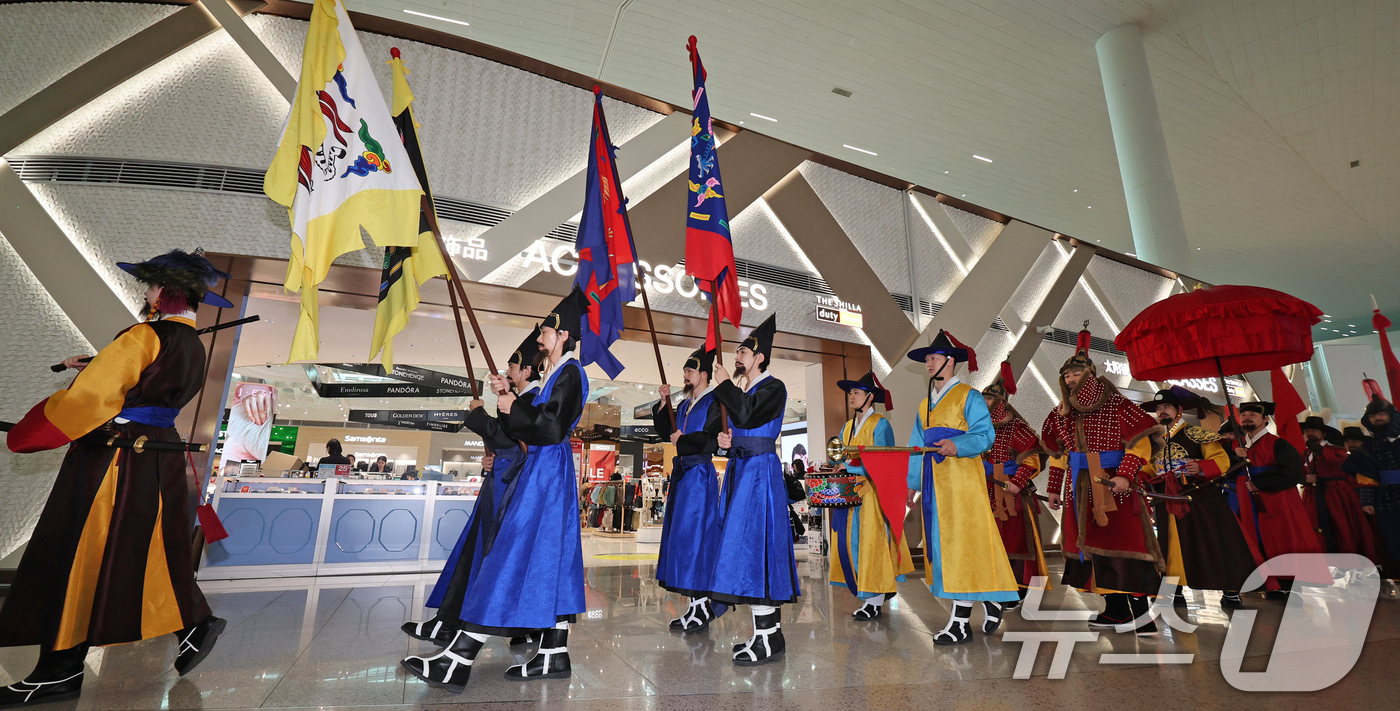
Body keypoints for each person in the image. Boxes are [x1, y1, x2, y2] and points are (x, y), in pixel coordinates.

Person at [0, 249, 235, 707]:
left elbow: (91, 401)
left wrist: (32, 432)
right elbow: (148, 387)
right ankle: (192, 620)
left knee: (83, 553)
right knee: (140, 548)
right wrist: (102, 364)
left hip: (114, 458)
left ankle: (59, 669)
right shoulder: (191, 343)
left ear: (163, 292)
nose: (144, 292)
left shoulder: (144, 335)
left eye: (149, 285)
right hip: (155, 456)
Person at [400, 288, 589, 690]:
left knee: (508, 555)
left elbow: (551, 428)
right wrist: (508, 401)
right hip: (544, 472)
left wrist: (511, 407)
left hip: (545, 475)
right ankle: (554, 655)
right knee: (546, 560)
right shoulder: (560, 374)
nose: (540, 340)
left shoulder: (571, 373)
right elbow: (536, 423)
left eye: (547, 334)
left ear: (566, 335)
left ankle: (457, 659)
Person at [403, 325, 544, 649]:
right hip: (500, 482)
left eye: (511, 368)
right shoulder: (521, 397)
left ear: (525, 370)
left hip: (511, 488)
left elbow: (511, 438)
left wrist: (478, 415)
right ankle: (448, 622)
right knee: (474, 551)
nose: (507, 374)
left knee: (489, 554)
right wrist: (490, 458)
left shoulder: (533, 398)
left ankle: (459, 625)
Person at [1040, 326, 1165, 635]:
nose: (1071, 379)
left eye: (1077, 373)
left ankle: (1142, 616)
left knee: (1124, 546)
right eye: (1067, 375)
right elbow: (1058, 453)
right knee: (1092, 551)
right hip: (1078, 485)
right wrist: (1054, 488)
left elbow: (1141, 443)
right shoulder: (1060, 413)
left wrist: (1125, 474)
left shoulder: (1118, 405)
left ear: (1092, 374)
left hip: (1114, 484)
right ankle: (1116, 610)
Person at [903, 331, 1020, 644]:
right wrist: (912, 484)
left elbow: (984, 436)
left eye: (934, 358)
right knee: (944, 547)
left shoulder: (970, 396)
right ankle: (989, 599)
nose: (929, 363)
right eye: (926, 359)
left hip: (962, 482)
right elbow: (916, 446)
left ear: (950, 361)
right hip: (933, 484)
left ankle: (960, 622)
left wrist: (958, 444)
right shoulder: (923, 406)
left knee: (963, 545)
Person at [708, 314, 800, 665]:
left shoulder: (772, 387)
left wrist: (722, 386)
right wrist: (728, 444)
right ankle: (768, 635)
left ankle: (766, 636)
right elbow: (744, 424)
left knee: (758, 549)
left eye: (743, 351)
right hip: (742, 471)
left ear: (760, 357)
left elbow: (747, 415)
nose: (737, 356)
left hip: (759, 475)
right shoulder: (746, 389)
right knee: (749, 549)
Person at [1144, 387, 1256, 609]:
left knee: (1212, 542)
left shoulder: (1196, 433)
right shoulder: (1154, 440)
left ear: (1178, 410)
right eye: (1158, 409)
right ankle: (1173, 590)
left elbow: (1221, 460)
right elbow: (1148, 467)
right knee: (1170, 544)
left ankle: (1230, 590)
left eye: (1166, 407)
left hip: (1200, 499)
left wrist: (1201, 466)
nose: (1161, 412)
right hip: (1167, 499)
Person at [827, 371, 914, 620]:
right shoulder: (846, 426)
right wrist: (837, 465)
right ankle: (868, 594)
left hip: (874, 496)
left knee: (872, 545)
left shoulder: (881, 424)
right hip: (851, 494)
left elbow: (885, 461)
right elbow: (842, 456)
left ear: (870, 396)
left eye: (856, 392)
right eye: (851, 392)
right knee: (853, 544)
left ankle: (874, 599)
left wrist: (850, 467)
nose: (851, 396)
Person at [652, 346, 726, 630]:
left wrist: (682, 440)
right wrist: (663, 402)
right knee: (682, 537)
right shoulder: (684, 405)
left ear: (704, 374)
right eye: (684, 371)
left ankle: (701, 605)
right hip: (683, 475)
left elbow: (709, 440)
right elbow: (666, 432)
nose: (685, 375)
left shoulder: (714, 403)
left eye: (689, 371)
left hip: (699, 476)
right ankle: (694, 604)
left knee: (696, 537)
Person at [1224, 402, 1325, 598]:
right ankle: (1261, 581)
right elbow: (1223, 468)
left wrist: (1260, 483)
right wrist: (1234, 457)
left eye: (1253, 414)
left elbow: (1291, 471)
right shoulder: (1235, 445)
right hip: (1243, 497)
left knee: (1279, 538)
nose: (1247, 417)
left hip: (1275, 499)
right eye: (1244, 414)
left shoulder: (1278, 444)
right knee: (1249, 538)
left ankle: (1285, 583)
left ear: (1265, 420)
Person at [981, 362, 1050, 609]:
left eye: (989, 400)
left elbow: (1034, 456)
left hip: (1011, 492)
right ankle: (995, 584)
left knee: (1015, 540)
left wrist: (1017, 482)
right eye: (984, 399)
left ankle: (1017, 589)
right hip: (985, 490)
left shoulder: (1017, 428)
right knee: (990, 540)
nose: (985, 403)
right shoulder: (978, 429)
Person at [1299, 414, 1377, 561]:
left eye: (1315, 430)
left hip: (1336, 495)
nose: (1310, 433)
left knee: (1342, 528)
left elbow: (1336, 460)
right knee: (1316, 529)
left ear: (1324, 434)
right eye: (1307, 430)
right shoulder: (1304, 454)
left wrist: (1315, 447)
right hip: (1313, 496)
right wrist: (1304, 479)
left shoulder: (1335, 450)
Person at [1343, 395, 1400, 579]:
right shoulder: (1368, 448)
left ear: (1390, 414)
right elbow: (1366, 477)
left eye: (1382, 413)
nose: (1378, 418)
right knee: (1392, 538)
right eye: (1373, 416)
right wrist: (1367, 501)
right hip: (1386, 500)